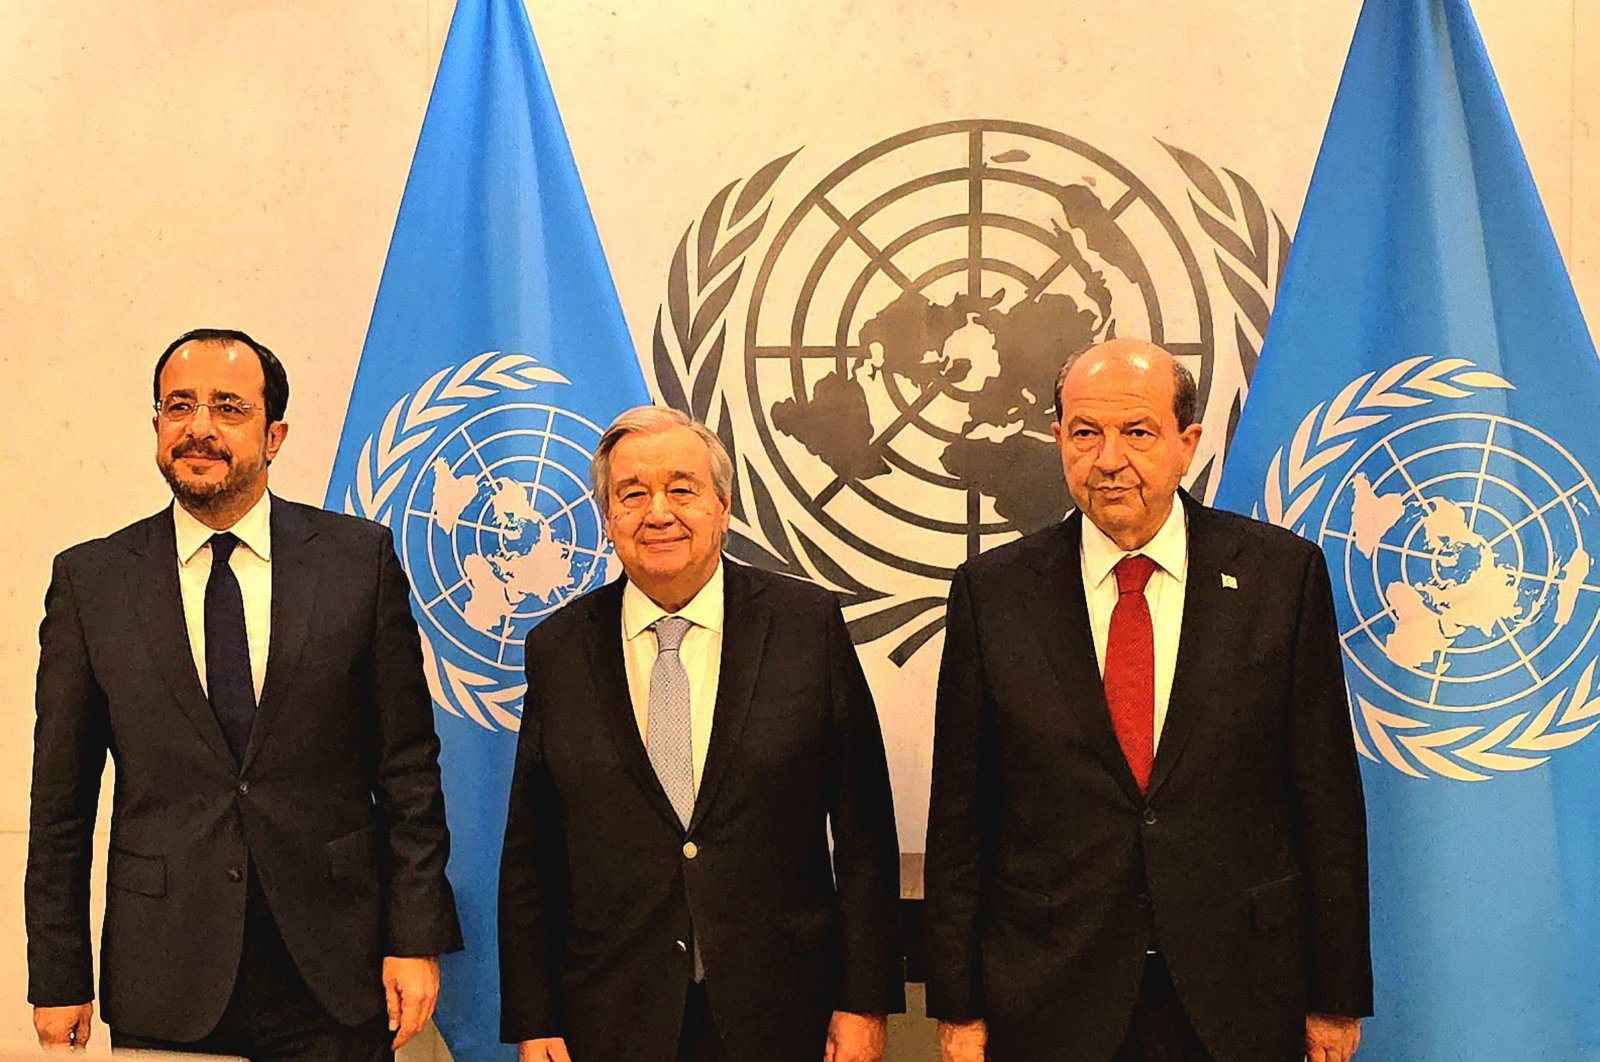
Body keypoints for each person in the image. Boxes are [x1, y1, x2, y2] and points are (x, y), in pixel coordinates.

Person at [923, 339, 1372, 1062]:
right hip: (1050, 992)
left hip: (1241, 992)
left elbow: (1325, 801)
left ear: (1186, 444)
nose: (1108, 459)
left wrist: (1336, 993)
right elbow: (962, 816)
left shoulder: (1280, 577)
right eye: (1084, 433)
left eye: (1137, 433)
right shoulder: (993, 592)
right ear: (1057, 440)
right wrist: (957, 1004)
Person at [26, 328, 463, 1060]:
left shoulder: (359, 563)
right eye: (179, 406)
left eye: (228, 407)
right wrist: (57, 972)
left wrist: (414, 938)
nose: (200, 428)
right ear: (157, 427)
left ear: (275, 435)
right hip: (166, 967)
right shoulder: (91, 582)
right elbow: (60, 802)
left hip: (334, 966)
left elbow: (409, 772)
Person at [498, 406, 903, 1062]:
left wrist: (864, 1001)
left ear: (722, 504)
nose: (659, 512)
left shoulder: (806, 626)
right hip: (609, 1014)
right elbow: (532, 852)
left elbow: (864, 833)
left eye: (682, 488)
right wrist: (534, 1018)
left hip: (782, 1009)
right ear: (607, 519)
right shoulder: (558, 649)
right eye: (632, 494)